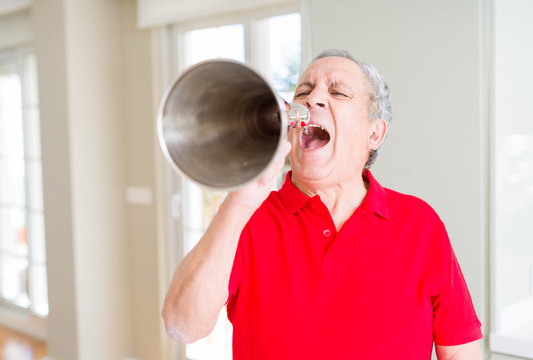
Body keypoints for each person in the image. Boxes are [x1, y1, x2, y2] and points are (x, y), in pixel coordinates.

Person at [161, 49, 483, 359]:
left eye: (338, 93)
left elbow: (459, 349)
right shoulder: (247, 217)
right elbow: (181, 325)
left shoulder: (420, 223)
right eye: (303, 91)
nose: (311, 99)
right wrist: (239, 201)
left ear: (375, 133)